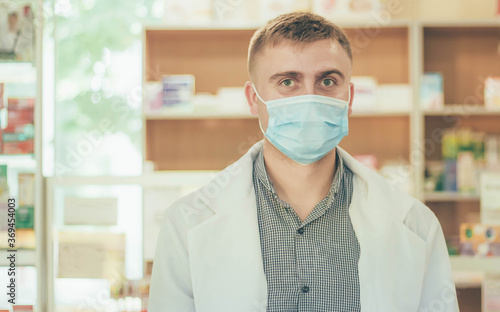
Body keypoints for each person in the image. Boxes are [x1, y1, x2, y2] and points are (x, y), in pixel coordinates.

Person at [149, 12, 459, 312]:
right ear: (253, 99)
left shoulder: (414, 226)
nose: (309, 98)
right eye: (287, 82)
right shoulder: (187, 223)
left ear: (348, 98)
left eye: (327, 82)